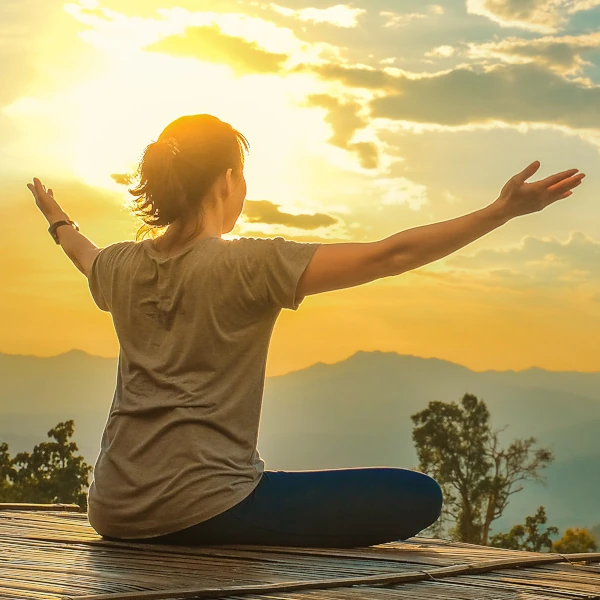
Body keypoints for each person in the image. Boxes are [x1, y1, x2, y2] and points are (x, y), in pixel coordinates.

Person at [27, 114, 585, 548]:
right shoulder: (247, 264)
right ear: (228, 180)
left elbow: (84, 254)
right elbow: (390, 255)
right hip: (202, 507)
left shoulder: (122, 266)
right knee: (418, 496)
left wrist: (58, 218)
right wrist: (500, 212)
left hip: (114, 507)